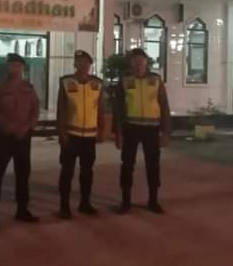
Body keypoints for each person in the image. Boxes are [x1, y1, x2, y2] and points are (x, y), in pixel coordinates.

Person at [0, 53, 40, 230]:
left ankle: (22, 209)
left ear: (22, 68)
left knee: (23, 174)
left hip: (23, 137)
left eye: (17, 66)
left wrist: (28, 126)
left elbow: (35, 109)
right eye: (11, 65)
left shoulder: (29, 88)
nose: (14, 69)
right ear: (7, 67)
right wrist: (10, 128)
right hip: (4, 137)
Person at [115, 48, 172, 214]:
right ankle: (125, 201)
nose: (138, 65)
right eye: (135, 62)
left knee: (153, 165)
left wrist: (166, 131)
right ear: (131, 64)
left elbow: (164, 105)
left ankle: (153, 201)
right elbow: (118, 109)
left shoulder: (156, 79)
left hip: (152, 129)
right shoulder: (125, 81)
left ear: (146, 63)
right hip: (131, 128)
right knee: (127, 165)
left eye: (141, 62)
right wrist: (118, 133)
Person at [56, 50, 104, 219]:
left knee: (87, 172)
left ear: (90, 64)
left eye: (86, 62)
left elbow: (100, 109)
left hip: (89, 136)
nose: (84, 65)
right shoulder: (66, 81)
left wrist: (102, 129)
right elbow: (61, 109)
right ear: (75, 64)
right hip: (71, 134)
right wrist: (61, 133)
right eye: (80, 62)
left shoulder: (98, 83)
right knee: (67, 172)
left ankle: (85, 203)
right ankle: (64, 206)